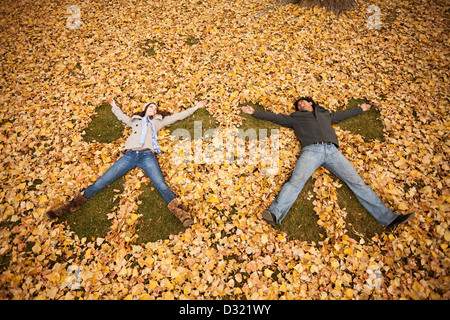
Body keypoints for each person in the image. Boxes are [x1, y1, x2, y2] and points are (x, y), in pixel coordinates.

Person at [241, 97, 414, 229]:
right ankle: (274, 214)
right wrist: (254, 112)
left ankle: (389, 219)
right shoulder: (295, 118)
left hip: (332, 152)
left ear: (311, 103)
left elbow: (342, 115)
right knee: (295, 182)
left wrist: (360, 109)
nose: (300, 105)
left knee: (358, 183)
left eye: (303, 102)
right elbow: (276, 117)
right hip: (311, 151)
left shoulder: (325, 114)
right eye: (298, 105)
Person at [46, 98, 208, 227]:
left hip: (147, 156)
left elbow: (177, 116)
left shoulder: (158, 122)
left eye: (155, 108)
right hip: (130, 155)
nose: (153, 109)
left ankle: (182, 214)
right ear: (145, 109)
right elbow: (121, 116)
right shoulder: (134, 121)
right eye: (151, 107)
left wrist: (195, 107)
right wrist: (114, 106)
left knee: (161, 185)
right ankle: (70, 205)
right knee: (103, 181)